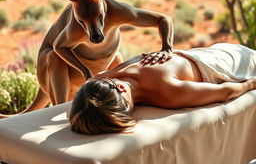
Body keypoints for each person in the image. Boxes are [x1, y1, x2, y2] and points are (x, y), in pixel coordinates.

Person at [69, 43, 256, 135]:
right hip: (204, 52)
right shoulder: (104, 78)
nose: (128, 112)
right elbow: (90, 92)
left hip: (235, 62)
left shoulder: (167, 92)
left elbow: (226, 92)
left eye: (124, 110)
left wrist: (252, 84)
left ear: (120, 88)